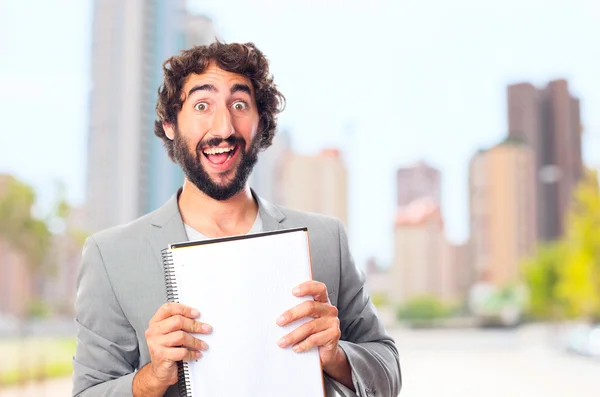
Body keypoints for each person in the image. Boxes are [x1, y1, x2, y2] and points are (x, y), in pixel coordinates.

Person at [72, 41, 401, 397]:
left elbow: (388, 370)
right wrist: (152, 377)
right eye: (202, 105)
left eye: (240, 105)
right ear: (170, 124)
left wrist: (335, 356)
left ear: (261, 123)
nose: (224, 127)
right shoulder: (111, 256)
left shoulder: (325, 238)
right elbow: (89, 391)